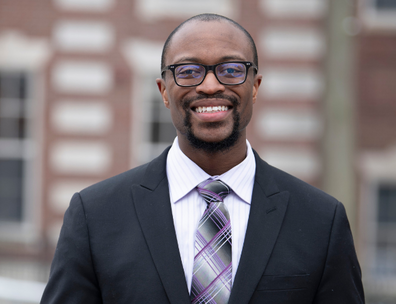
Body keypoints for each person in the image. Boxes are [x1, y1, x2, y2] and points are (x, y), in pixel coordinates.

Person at [41, 13, 364, 304]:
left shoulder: (320, 221)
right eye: (189, 71)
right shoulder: (96, 215)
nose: (210, 85)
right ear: (164, 91)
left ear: (255, 87)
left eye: (231, 69)